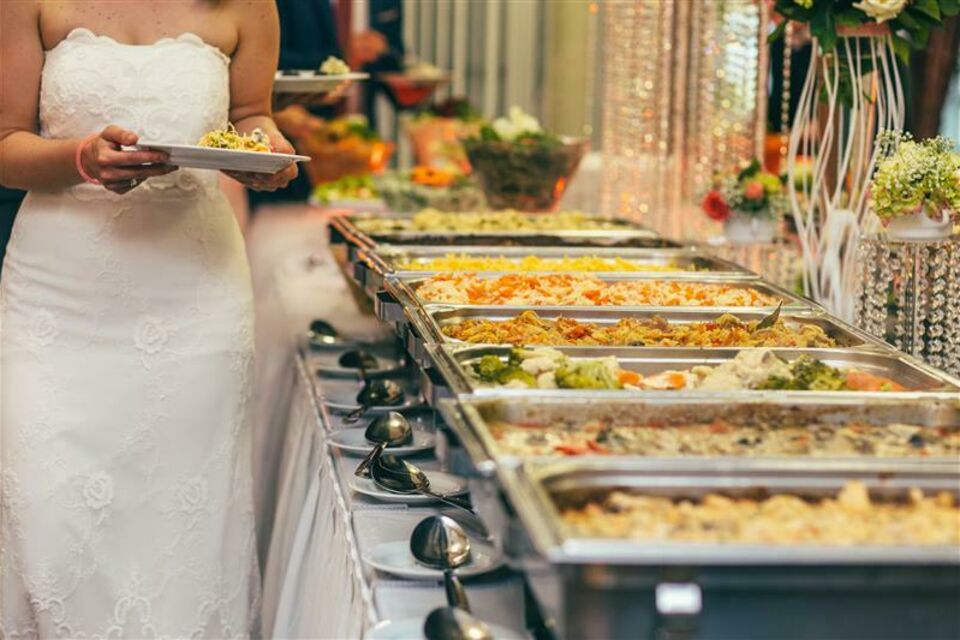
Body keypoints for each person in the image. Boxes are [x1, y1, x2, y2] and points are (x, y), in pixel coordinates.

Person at [0, 1, 295, 636]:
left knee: (180, 518)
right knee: (49, 510)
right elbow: (3, 144)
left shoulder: (247, 5)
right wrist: (81, 158)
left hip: (193, 294)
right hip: (58, 294)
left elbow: (250, 116)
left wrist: (265, 150)